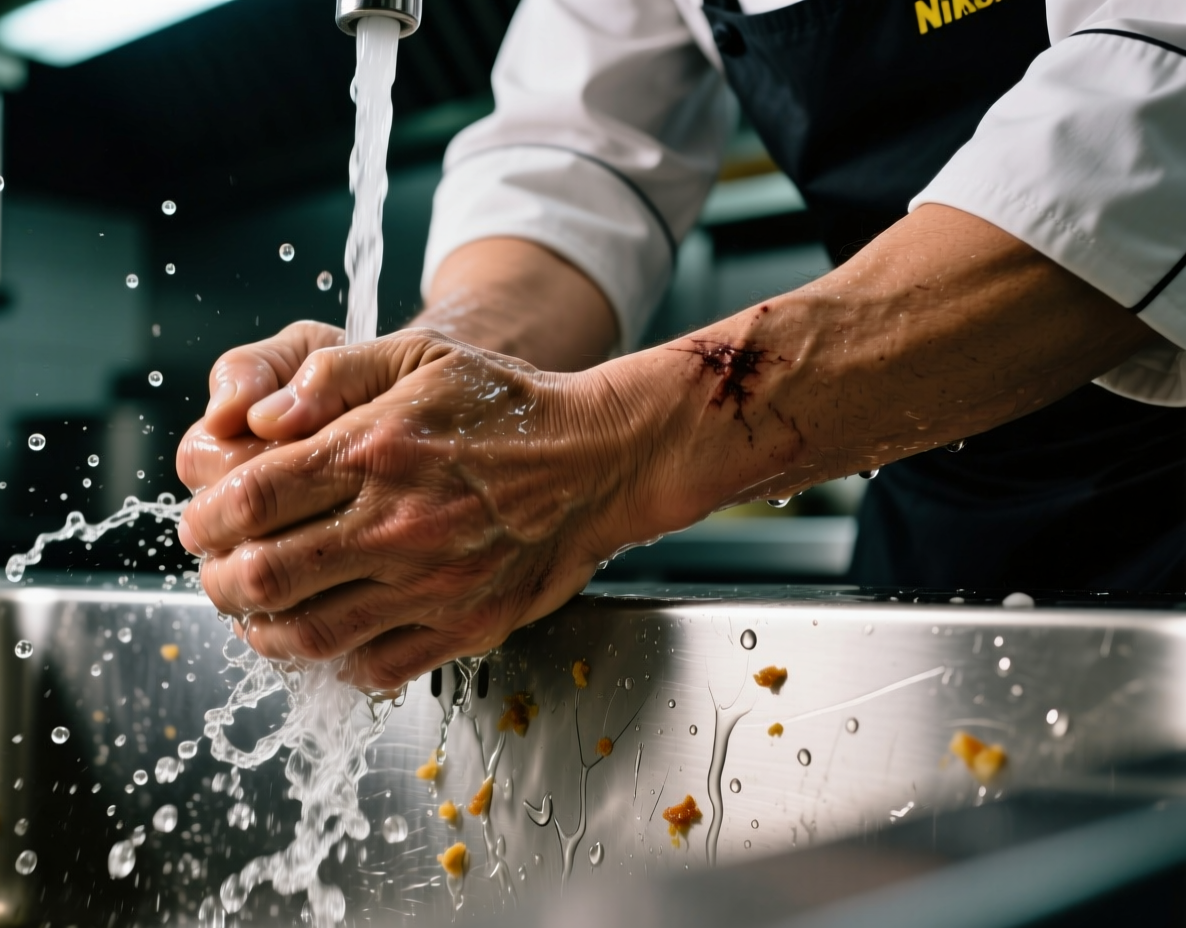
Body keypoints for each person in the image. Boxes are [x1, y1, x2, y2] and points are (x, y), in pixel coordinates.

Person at [176, 0, 1186, 691]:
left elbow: (1149, 109)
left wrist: (622, 447)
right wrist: (435, 373)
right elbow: (574, 160)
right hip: (941, 523)